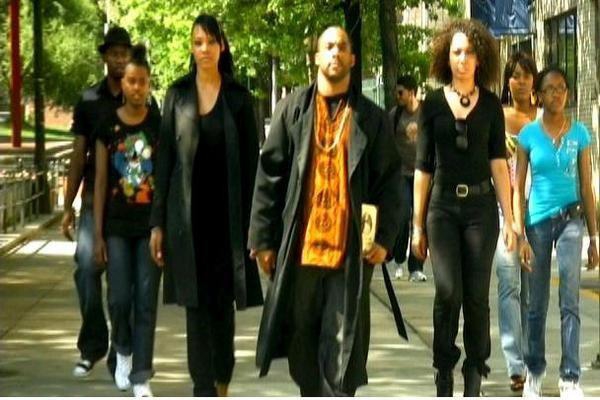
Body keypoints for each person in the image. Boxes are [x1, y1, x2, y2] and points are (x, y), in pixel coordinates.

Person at [248, 26, 402, 396]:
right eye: (328, 46)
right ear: (316, 57)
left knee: (340, 352)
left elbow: (390, 182)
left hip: (348, 256)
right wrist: (263, 240)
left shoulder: (371, 118)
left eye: (342, 47)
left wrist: (384, 238)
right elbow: (269, 176)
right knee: (302, 350)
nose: (335, 52)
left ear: (352, 58)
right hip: (301, 252)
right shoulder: (292, 110)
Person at [148, 14, 263, 396]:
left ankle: (221, 379)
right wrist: (157, 223)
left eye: (211, 42)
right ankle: (203, 389)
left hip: (228, 225)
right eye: (198, 42)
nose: (204, 49)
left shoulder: (239, 99)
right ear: (192, 48)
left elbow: (252, 169)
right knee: (195, 311)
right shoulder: (177, 95)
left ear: (222, 47)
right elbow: (165, 162)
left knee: (221, 312)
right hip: (187, 225)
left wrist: (258, 229)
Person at [411, 19, 516, 397]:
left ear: (480, 58)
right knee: (448, 291)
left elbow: (499, 164)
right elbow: (422, 169)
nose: (463, 58)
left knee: (475, 296)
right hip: (441, 209)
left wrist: (510, 220)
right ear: (446, 57)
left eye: (469, 52)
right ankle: (444, 369)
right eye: (456, 52)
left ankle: (474, 371)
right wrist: (416, 226)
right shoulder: (432, 105)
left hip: (481, 211)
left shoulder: (490, 106)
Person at [516, 66, 598, 399]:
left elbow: (587, 187)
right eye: (549, 89)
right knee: (536, 302)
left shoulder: (580, 133)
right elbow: (518, 187)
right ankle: (534, 371)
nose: (556, 94)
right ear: (538, 95)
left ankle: (570, 377)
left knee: (570, 300)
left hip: (571, 221)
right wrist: (519, 234)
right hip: (537, 223)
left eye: (562, 88)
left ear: (568, 93)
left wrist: (594, 238)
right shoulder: (528, 135)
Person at [62, 26, 132, 379]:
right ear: (105, 57)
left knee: (121, 289)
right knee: (87, 272)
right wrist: (67, 206)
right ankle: (92, 345)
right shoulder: (89, 100)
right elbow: (78, 155)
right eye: (114, 53)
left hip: (126, 207)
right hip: (92, 202)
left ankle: (120, 353)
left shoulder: (138, 97)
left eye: (124, 53)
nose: (119, 59)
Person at [93, 44, 161, 397]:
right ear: (123, 83)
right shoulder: (109, 124)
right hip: (117, 227)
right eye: (131, 81)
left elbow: (165, 177)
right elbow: (101, 181)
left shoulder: (158, 124)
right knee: (120, 298)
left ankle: (141, 375)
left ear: (149, 84)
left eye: (142, 82)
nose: (136, 87)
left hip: (149, 227)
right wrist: (98, 234)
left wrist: (162, 227)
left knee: (146, 300)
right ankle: (122, 351)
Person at [494, 51, 538, 393]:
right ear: (507, 81)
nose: (520, 81)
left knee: (530, 292)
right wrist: (509, 216)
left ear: (534, 79)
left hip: (540, 213)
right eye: (515, 74)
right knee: (509, 285)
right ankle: (515, 365)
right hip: (504, 212)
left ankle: (529, 356)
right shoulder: (497, 117)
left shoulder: (545, 117)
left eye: (526, 74)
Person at [389, 74, 427, 282]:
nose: (398, 96)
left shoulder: (426, 113)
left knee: (420, 220)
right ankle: (398, 259)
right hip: (401, 175)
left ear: (412, 92)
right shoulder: (395, 115)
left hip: (423, 174)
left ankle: (416, 267)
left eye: (401, 92)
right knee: (403, 216)